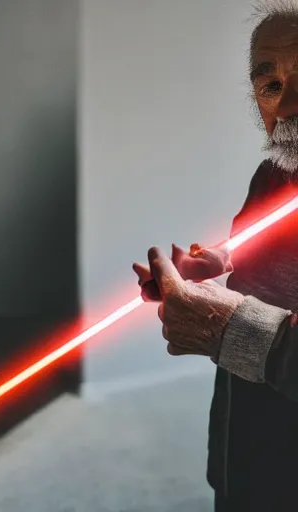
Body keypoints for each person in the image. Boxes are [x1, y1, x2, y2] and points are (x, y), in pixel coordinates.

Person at [133, 2, 298, 511]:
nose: (288, 103)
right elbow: (256, 237)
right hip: (242, 391)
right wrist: (215, 262)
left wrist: (233, 328)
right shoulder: (273, 172)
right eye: (269, 84)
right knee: (239, 482)